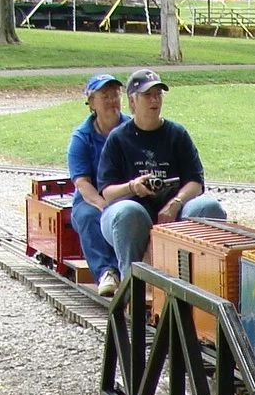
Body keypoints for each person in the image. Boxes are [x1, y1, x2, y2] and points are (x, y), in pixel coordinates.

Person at [96, 68, 228, 295]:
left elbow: (195, 182)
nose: (154, 100)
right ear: (132, 101)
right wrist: (133, 186)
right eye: (147, 95)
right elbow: (107, 192)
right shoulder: (118, 138)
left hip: (173, 210)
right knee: (129, 211)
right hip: (128, 214)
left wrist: (176, 201)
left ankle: (204, 287)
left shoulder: (177, 134)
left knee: (208, 207)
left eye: (158, 94)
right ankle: (131, 291)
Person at [66, 73, 126, 295]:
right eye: (105, 96)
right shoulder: (82, 138)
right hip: (92, 199)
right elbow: (82, 182)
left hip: (127, 194)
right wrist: (103, 205)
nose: (112, 101)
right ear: (92, 103)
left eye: (115, 95)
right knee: (88, 217)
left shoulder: (132, 128)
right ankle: (106, 272)